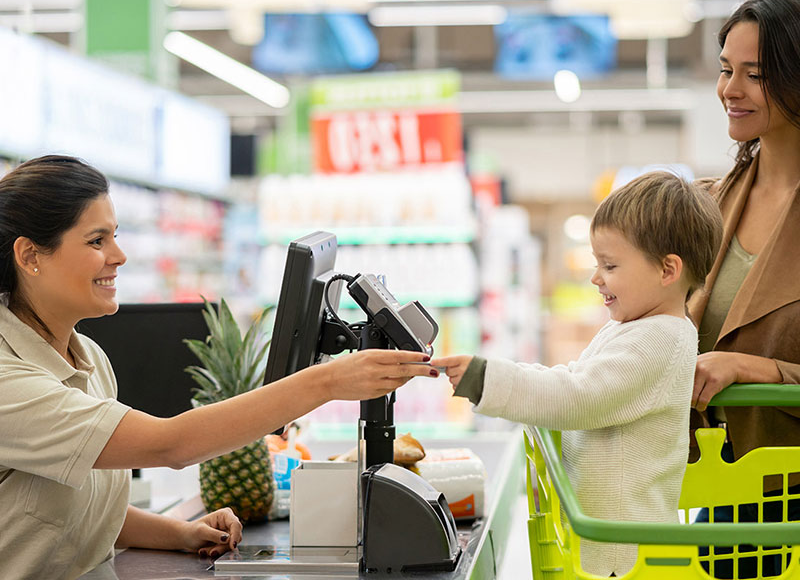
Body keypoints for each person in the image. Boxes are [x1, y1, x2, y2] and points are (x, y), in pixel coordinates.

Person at [0, 155, 439, 580]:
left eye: (115, 236)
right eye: (97, 241)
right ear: (30, 256)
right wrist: (327, 382)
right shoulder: (8, 381)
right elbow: (169, 445)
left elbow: (79, 508)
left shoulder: (88, 357)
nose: (119, 255)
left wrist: (181, 533)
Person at [433, 172, 723, 577]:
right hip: (611, 550)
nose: (595, 277)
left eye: (610, 264)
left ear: (667, 270)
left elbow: (580, 395)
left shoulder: (660, 338)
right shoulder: (635, 328)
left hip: (624, 559)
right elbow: (576, 377)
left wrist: (487, 378)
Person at [686, 0, 800, 577]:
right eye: (727, 69)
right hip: (722, 504)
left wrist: (761, 370)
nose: (730, 89)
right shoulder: (709, 205)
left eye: (755, 74)